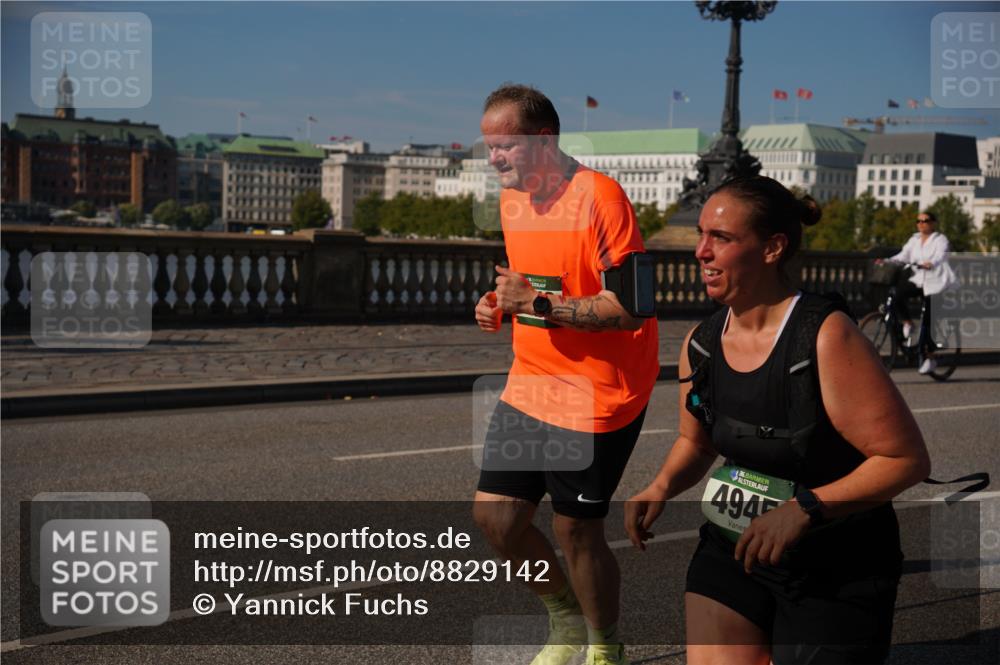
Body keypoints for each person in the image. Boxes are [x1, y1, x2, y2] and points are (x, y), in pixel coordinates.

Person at [625, 176, 931, 665]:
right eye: (701, 235)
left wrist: (805, 508)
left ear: (772, 248)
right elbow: (697, 443)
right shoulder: (701, 344)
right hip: (734, 546)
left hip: (834, 562)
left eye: (720, 238)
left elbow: (905, 459)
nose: (700, 252)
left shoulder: (826, 338)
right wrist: (660, 485)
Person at [472, 83, 659, 665]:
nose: (494, 158)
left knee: (577, 532)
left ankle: (605, 647)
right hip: (532, 381)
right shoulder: (511, 200)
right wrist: (498, 304)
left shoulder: (602, 198)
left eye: (507, 146)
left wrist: (536, 304)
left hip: (599, 393)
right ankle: (565, 622)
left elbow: (633, 307)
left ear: (546, 140)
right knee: (496, 519)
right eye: (489, 147)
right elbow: (532, 285)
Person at [880, 211, 957, 374]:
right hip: (919, 280)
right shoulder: (914, 240)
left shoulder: (940, 240)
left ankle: (929, 357)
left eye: (925, 221)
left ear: (933, 223)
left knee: (928, 317)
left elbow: (941, 256)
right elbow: (904, 255)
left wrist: (931, 263)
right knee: (897, 294)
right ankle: (908, 322)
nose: (921, 224)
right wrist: (887, 261)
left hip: (936, 282)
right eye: (919, 221)